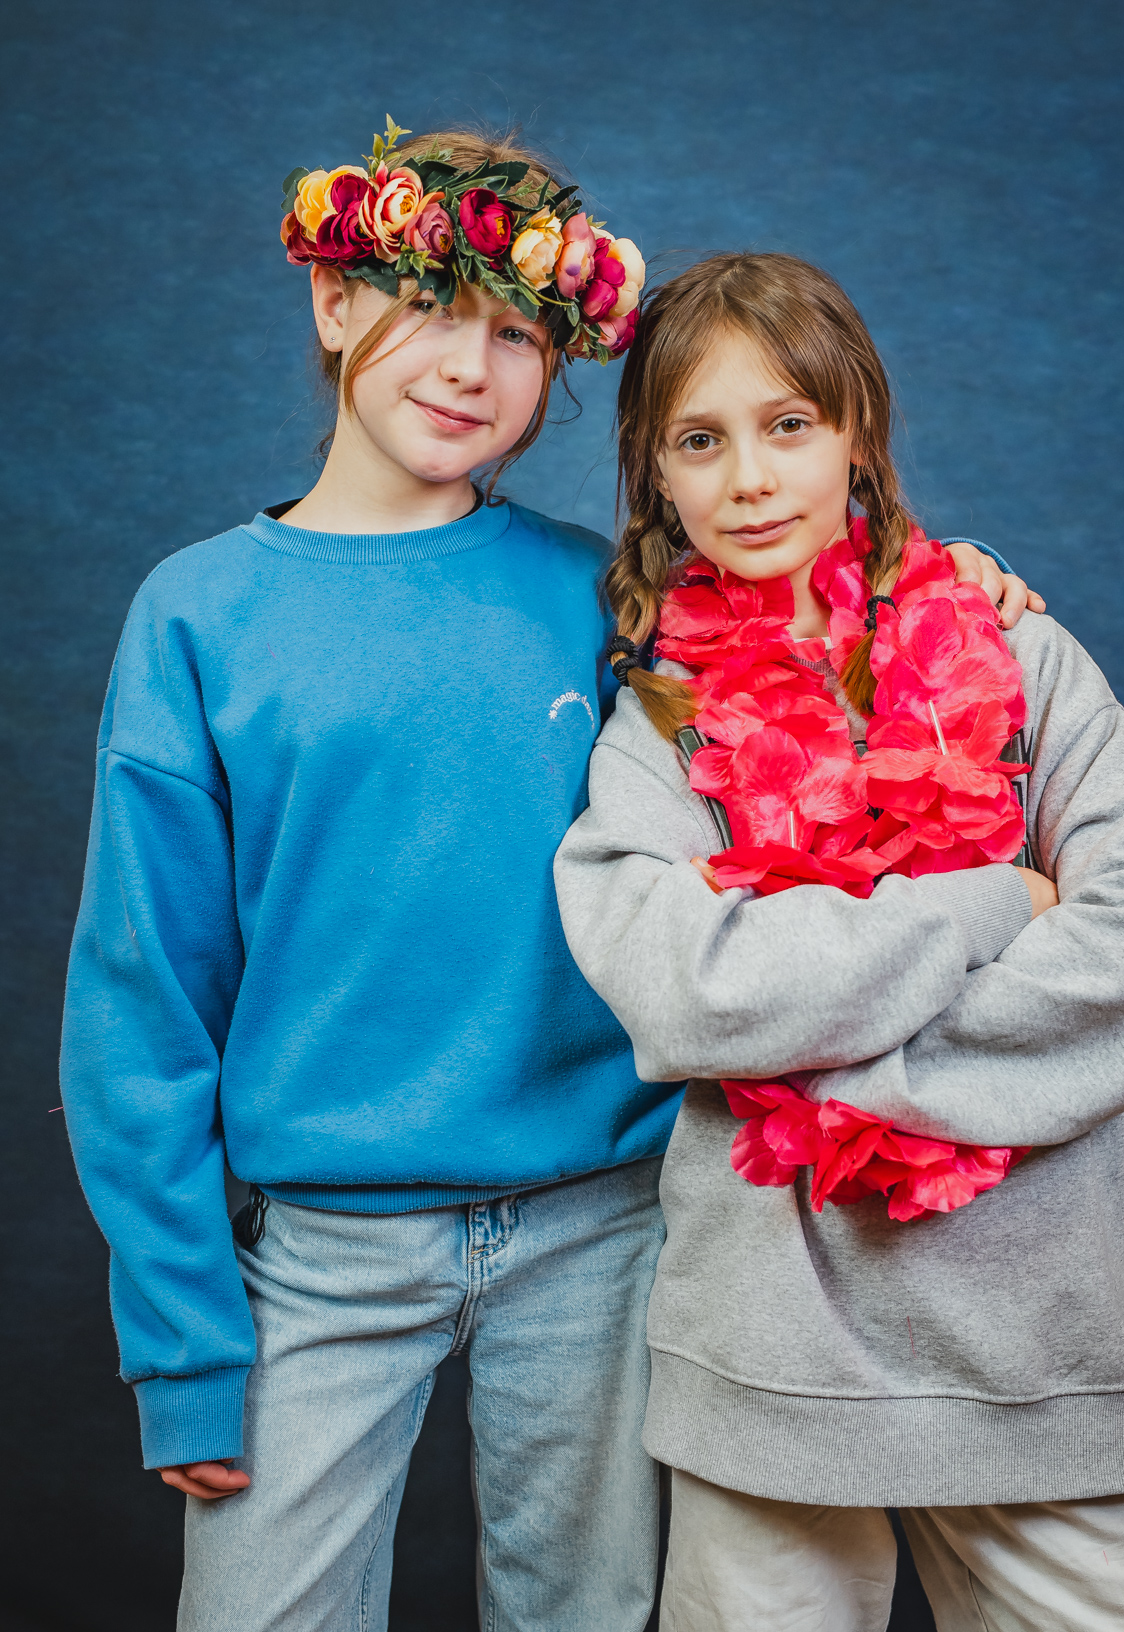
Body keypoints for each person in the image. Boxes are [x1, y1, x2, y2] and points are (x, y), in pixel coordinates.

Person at [61, 119, 1032, 1627]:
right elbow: (142, 1003)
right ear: (333, 301)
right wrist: (182, 1342)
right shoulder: (198, 616)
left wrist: (941, 592)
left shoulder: (607, 593)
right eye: (429, 308)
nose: (471, 367)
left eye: (516, 335)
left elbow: (805, 634)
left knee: (583, 1609)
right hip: (321, 1247)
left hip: (605, 1225)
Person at [553, 252, 1124, 1631]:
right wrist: (989, 907)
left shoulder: (1022, 663)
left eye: (789, 424)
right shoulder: (658, 730)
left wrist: (827, 1055)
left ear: (857, 431)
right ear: (656, 473)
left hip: (1029, 1343)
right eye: (700, 441)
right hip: (766, 1347)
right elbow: (688, 992)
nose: (750, 479)